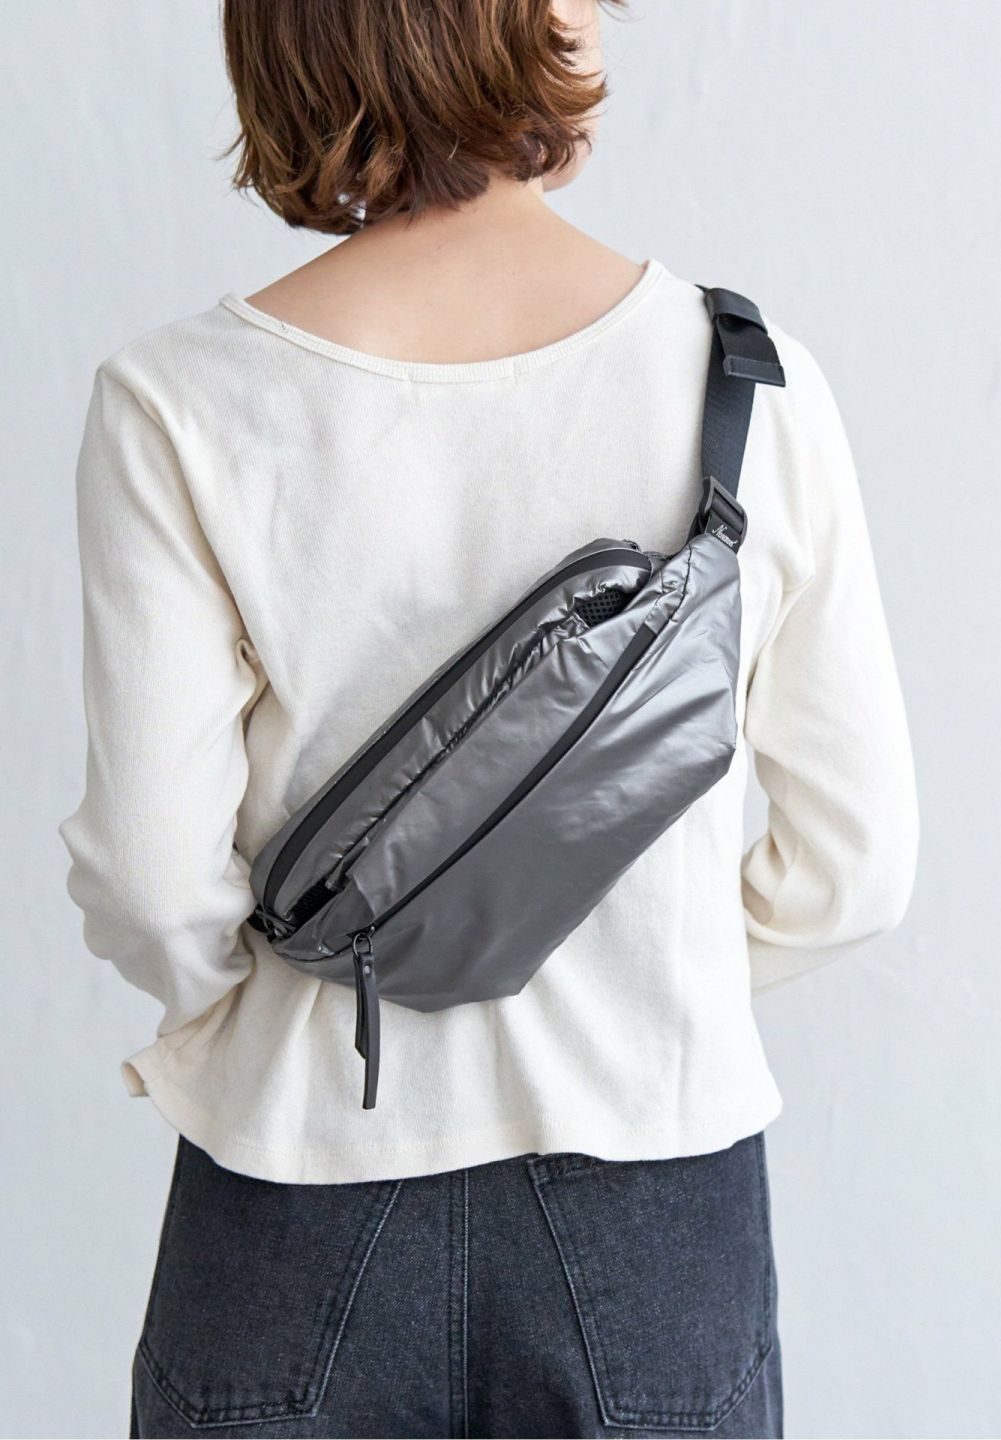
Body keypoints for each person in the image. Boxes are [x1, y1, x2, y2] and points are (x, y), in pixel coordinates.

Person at [58, 1, 919, 1435]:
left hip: (298, 1181)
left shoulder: (180, 402)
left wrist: (275, 1024)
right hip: (655, 1198)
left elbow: (153, 879)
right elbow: (855, 867)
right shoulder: (747, 382)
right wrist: (642, 986)